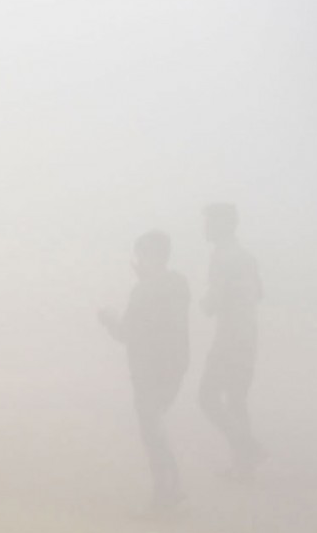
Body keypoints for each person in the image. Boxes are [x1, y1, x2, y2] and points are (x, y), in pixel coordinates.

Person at [99, 230, 191, 510]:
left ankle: (166, 495)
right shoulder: (178, 284)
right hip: (173, 368)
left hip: (150, 371)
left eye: (141, 255)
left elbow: (127, 332)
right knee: (155, 428)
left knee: (152, 432)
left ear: (151, 256)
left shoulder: (145, 290)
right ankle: (170, 491)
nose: (138, 261)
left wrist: (108, 319)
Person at [198, 203, 264, 479]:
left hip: (229, 337)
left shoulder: (223, 257)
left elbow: (213, 302)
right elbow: (259, 293)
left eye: (209, 221)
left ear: (226, 224)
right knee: (237, 399)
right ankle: (244, 465)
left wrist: (203, 303)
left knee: (206, 396)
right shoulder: (246, 256)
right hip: (248, 334)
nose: (205, 227)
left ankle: (248, 449)